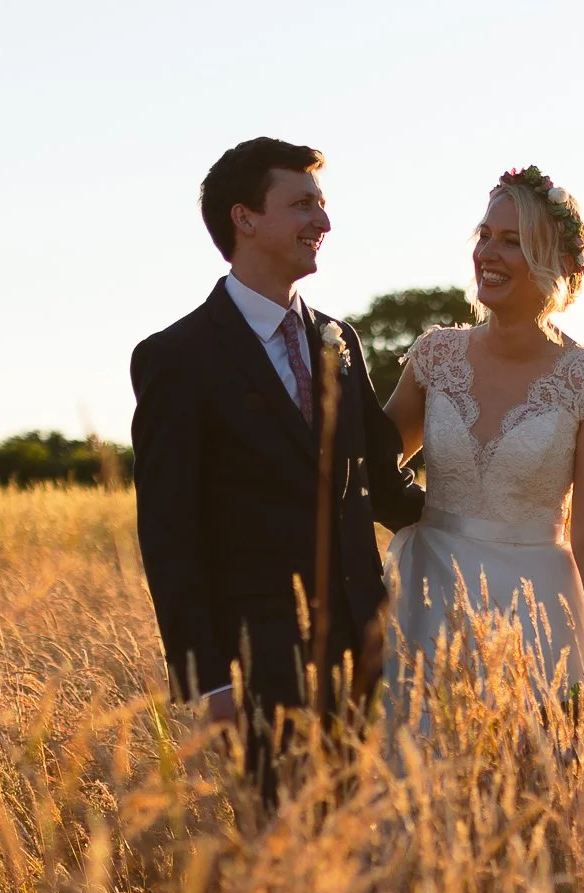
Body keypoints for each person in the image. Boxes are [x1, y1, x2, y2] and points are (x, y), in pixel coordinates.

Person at [130, 137, 424, 797]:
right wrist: (209, 680)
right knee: (285, 862)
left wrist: (491, 505)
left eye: (322, 205)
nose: (322, 222)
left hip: (366, 654)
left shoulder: (339, 339)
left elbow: (380, 483)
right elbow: (168, 536)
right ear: (245, 218)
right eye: (303, 205)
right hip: (262, 662)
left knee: (367, 856)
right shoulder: (177, 358)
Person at [381, 166, 584, 704]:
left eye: (512, 242)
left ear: (559, 263)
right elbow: (368, 469)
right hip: (428, 598)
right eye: (485, 236)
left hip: (537, 613)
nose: (487, 254)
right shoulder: (435, 357)